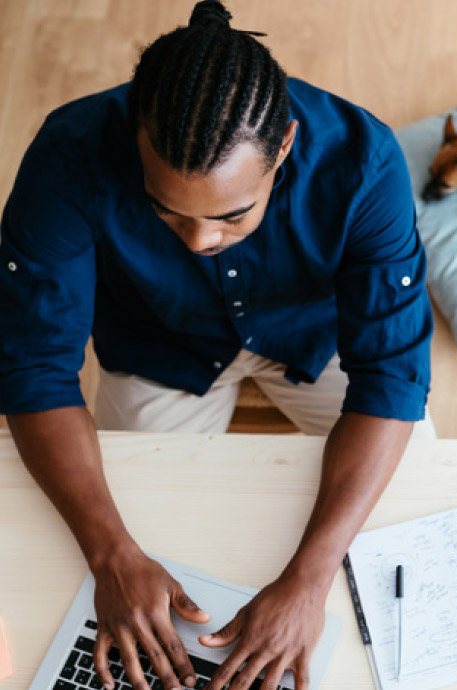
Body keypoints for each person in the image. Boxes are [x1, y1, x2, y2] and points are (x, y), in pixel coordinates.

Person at [0, 2, 433, 689]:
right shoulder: (68, 156)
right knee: (112, 521)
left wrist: (308, 580)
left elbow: (391, 377)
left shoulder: (365, 163)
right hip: (159, 346)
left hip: (314, 341)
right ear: (136, 140)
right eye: (166, 209)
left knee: (417, 488)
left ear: (284, 147)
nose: (199, 240)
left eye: (232, 214)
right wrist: (112, 557)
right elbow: (34, 371)